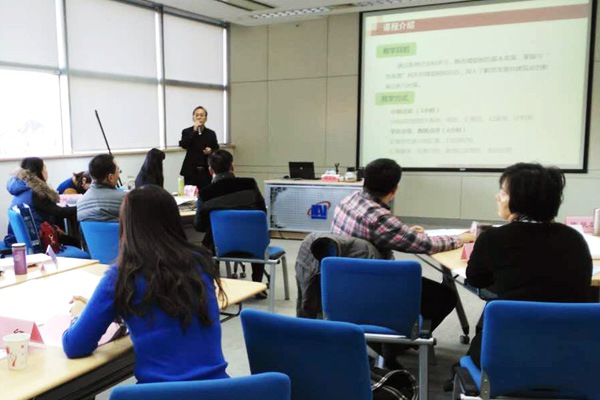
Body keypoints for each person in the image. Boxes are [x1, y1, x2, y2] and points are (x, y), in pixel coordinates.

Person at [62, 185, 229, 383]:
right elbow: (167, 311)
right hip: (220, 390)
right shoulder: (200, 261)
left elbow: (75, 346)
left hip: (159, 394)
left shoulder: (121, 275)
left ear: (127, 225)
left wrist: (79, 316)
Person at [331, 158, 474, 368]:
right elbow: (426, 245)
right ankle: (392, 344)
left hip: (343, 283)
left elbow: (384, 230)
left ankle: (385, 341)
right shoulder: (379, 217)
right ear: (394, 189)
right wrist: (460, 239)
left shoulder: (350, 199)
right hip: (375, 288)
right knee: (444, 297)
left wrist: (403, 231)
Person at [465, 162, 593, 367]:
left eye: (503, 192)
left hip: (506, 350)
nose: (497, 197)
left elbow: (476, 279)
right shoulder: (574, 239)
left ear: (520, 199)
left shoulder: (494, 238)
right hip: (571, 353)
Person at [194, 150, 268, 298]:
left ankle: (215, 286)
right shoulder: (249, 184)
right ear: (232, 166)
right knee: (254, 233)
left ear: (210, 170)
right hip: (253, 245)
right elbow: (262, 212)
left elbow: (199, 226)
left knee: (208, 241)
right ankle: (257, 285)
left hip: (220, 247)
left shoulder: (206, 194)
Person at [4, 157, 80, 247]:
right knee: (76, 242)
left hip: (18, 238)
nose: (47, 172)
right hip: (37, 240)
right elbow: (59, 212)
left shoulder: (22, 189)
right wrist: (82, 207)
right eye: (44, 168)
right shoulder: (36, 193)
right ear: (38, 171)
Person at [179, 106, 219, 190]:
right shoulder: (186, 131)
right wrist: (194, 130)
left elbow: (216, 149)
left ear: (206, 118)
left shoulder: (211, 133)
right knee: (189, 195)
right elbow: (184, 144)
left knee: (206, 193)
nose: (199, 117)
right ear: (193, 117)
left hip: (206, 170)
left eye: (202, 115)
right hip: (190, 170)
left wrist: (210, 151)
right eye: (196, 115)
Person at [77, 154, 126, 222]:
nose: (119, 175)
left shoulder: (80, 203)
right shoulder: (125, 199)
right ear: (110, 177)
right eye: (118, 171)